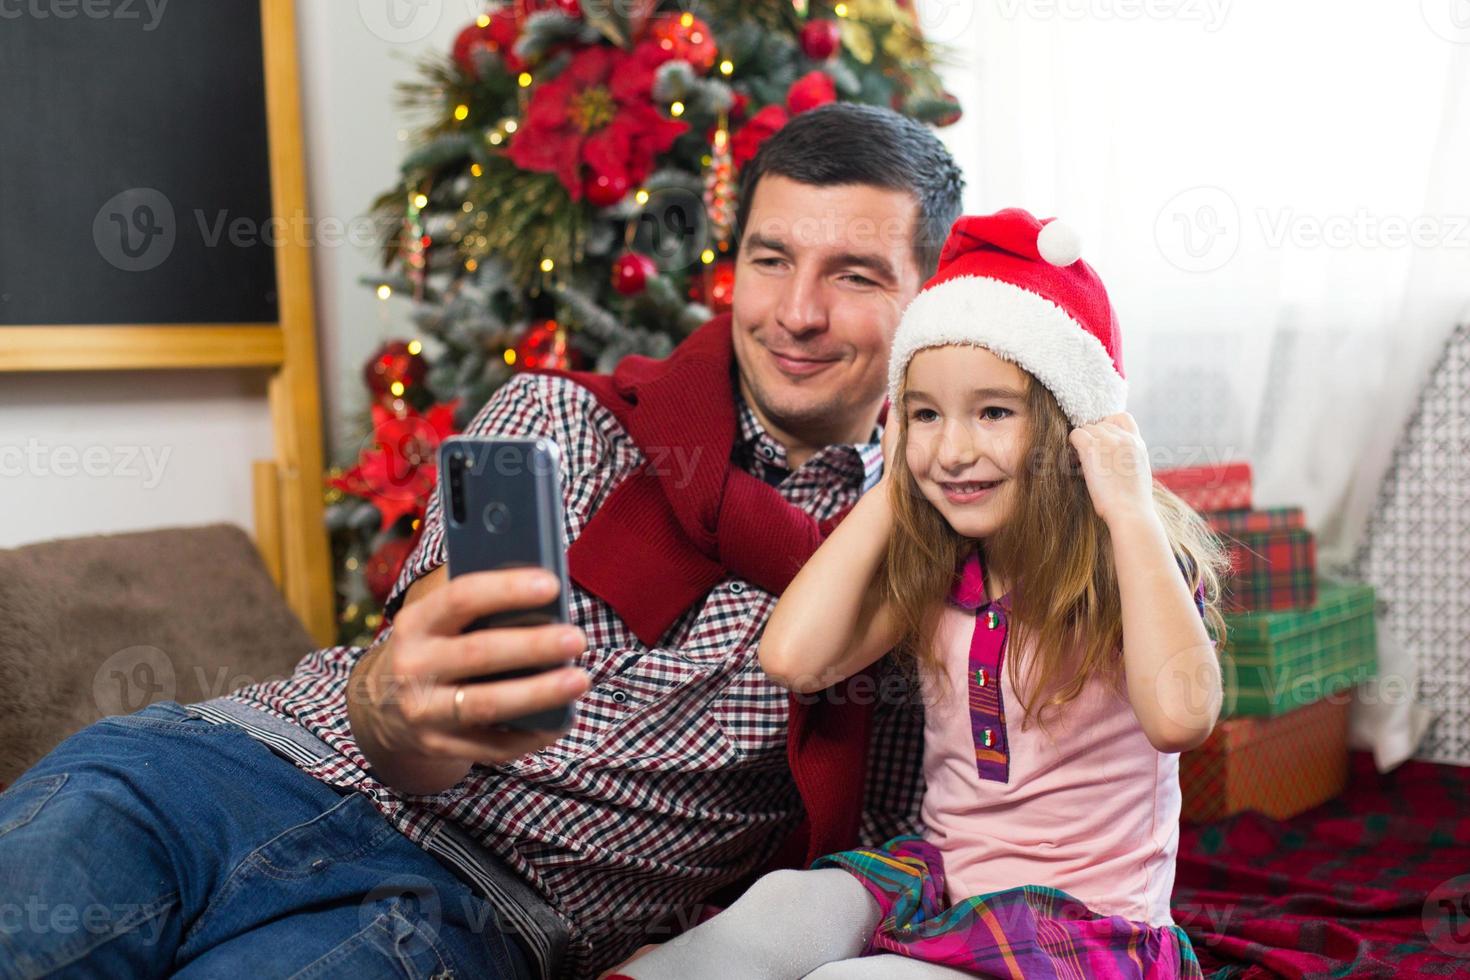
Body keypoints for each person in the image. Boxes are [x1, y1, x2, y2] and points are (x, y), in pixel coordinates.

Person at [0, 103, 964, 979]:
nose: (796, 312)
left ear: (933, 297)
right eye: (770, 258)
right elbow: (416, 666)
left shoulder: (928, 566)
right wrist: (406, 705)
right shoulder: (568, 418)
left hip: (472, 914)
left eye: (854, 275)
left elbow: (943, 834)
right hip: (237, 769)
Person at [614, 209, 1229, 979]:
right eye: (926, 415)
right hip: (945, 890)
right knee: (783, 903)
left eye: (994, 413)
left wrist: (1130, 509)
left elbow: (1181, 716)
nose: (955, 449)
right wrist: (892, 488)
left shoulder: (1123, 560)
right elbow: (792, 658)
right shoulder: (941, 567)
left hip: (1079, 932)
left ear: (1076, 426)